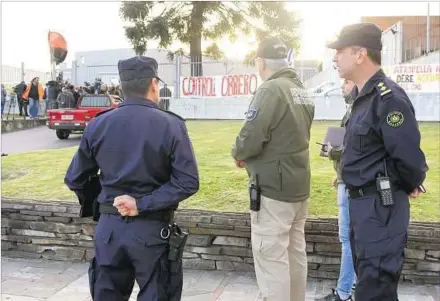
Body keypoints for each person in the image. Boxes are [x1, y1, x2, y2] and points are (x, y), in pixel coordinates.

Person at [64, 56, 199, 301]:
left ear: (123, 87)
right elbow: (187, 181)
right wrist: (141, 204)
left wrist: (103, 205)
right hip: (152, 230)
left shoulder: (98, 124)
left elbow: (76, 178)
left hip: (109, 230)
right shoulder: (171, 125)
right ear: (153, 84)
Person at [327, 23, 428, 301]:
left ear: (360, 54)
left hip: (380, 209)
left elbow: (409, 157)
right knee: (368, 283)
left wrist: (411, 183)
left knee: (376, 288)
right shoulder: (362, 98)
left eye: (340, 51)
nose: (335, 57)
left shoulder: (388, 98)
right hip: (362, 206)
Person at [231, 37, 315, 301]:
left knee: (271, 256)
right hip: (298, 184)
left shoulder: (270, 89)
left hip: (274, 189)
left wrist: (238, 153)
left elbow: (251, 137)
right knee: (294, 253)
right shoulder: (300, 88)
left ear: (260, 62)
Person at [316, 79, 356, 301]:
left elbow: (353, 148)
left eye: (347, 82)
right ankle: (354, 289)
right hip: (347, 180)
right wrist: (339, 173)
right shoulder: (356, 107)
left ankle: (343, 293)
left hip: (350, 186)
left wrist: (332, 151)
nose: (342, 86)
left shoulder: (359, 108)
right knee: (353, 239)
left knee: (348, 240)